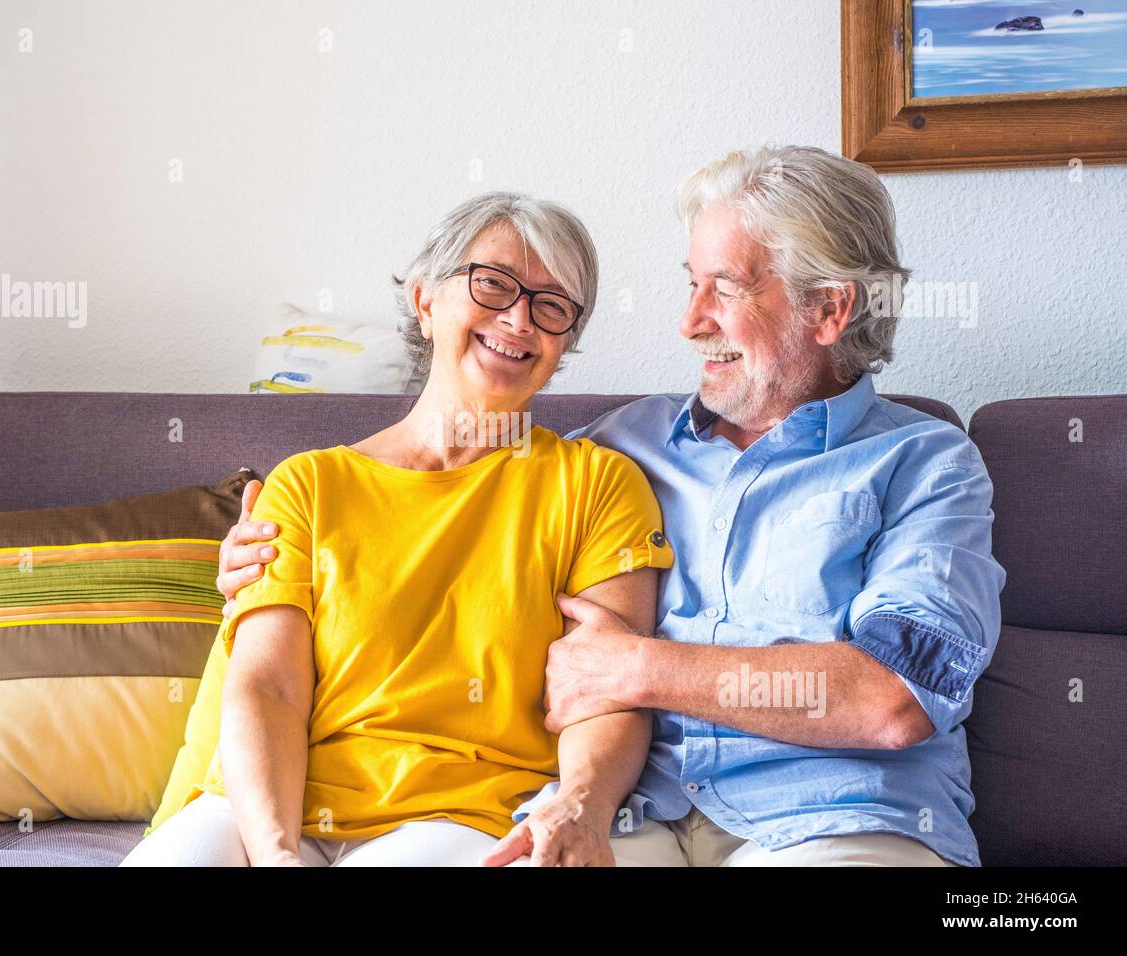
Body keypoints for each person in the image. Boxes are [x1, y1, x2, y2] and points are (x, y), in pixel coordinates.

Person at [221, 146, 1007, 867]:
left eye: (724, 289)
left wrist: (641, 667)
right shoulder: (621, 447)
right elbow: (463, 500)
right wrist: (248, 556)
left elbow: (894, 697)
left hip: (834, 817)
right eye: (690, 283)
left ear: (830, 310)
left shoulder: (927, 463)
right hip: (636, 818)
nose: (689, 321)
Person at [122, 191, 684, 867]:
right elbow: (266, 685)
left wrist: (581, 804)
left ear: (564, 343)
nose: (518, 319)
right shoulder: (308, 485)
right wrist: (275, 854)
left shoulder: (599, 486)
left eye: (551, 305)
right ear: (424, 300)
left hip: (462, 814)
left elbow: (606, 691)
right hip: (267, 802)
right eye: (493, 284)